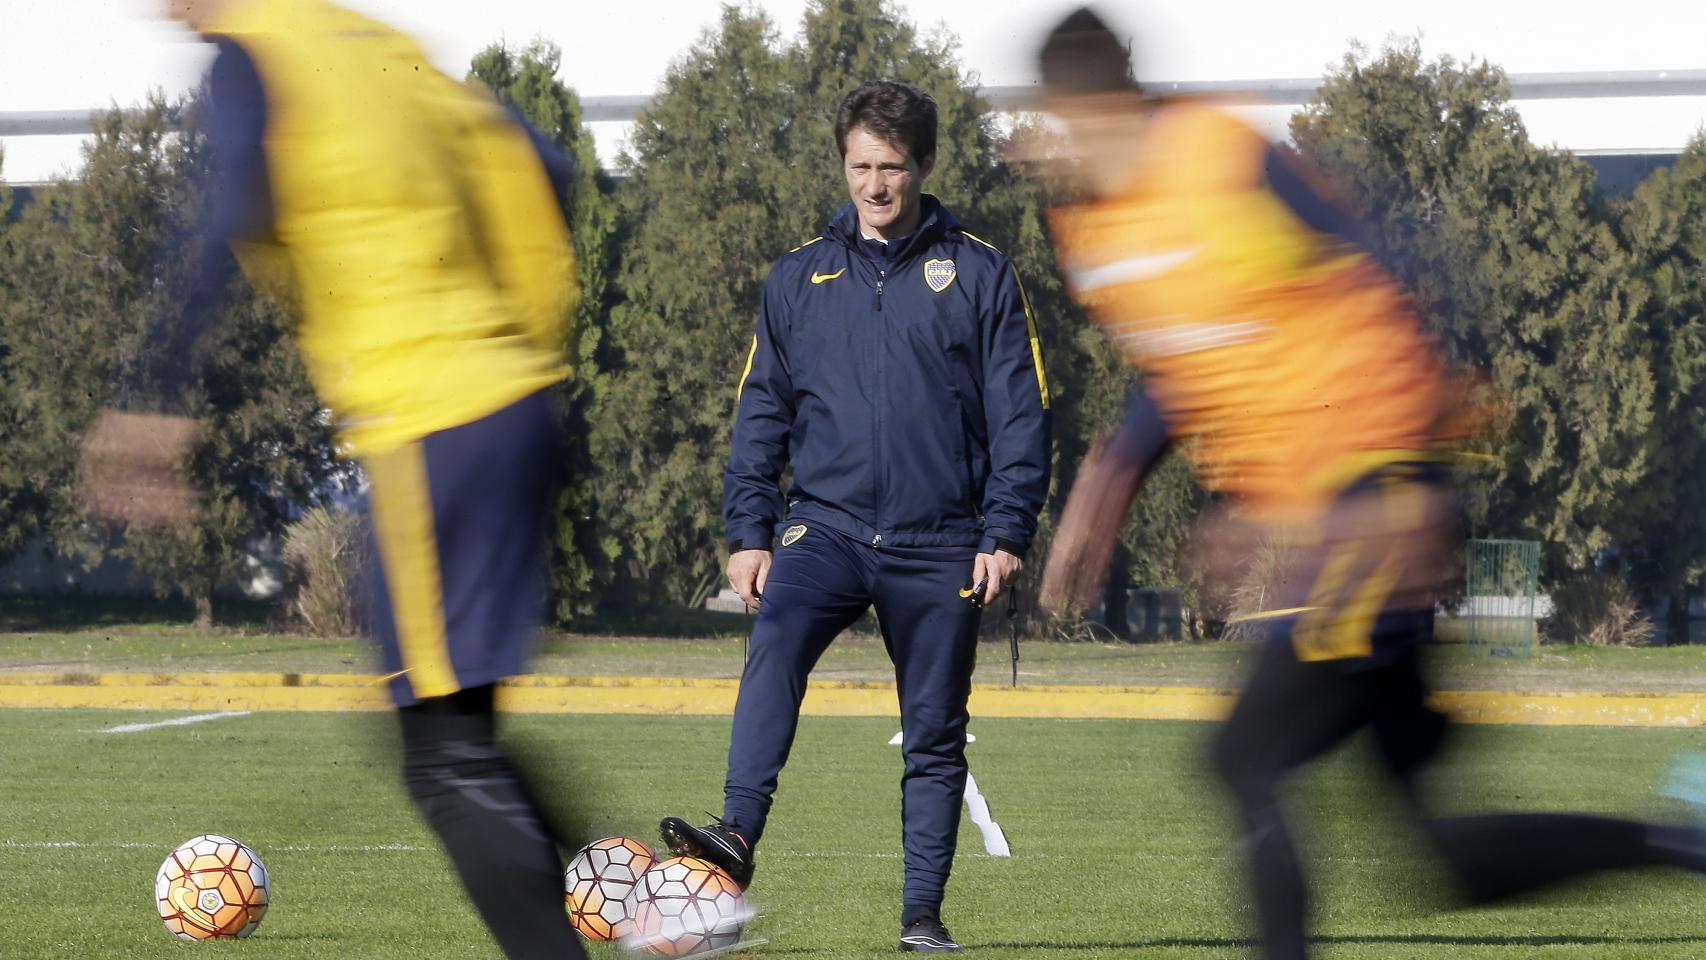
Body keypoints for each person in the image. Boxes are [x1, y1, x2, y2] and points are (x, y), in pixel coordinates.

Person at [1033, 9, 1706, 960]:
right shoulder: (1092, 230)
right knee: (1445, 857)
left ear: (1116, 99)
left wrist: (1422, 483)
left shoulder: (1218, 158)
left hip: (1378, 495)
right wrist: (1113, 482)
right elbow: (1180, 369)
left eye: (1098, 120)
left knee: (1244, 758)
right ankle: (1684, 840)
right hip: (1336, 520)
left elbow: (1382, 267)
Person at [95, 2, 587, 957]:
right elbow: (547, 164)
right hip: (517, 401)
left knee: (441, 760)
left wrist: (155, 391)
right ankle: (655, 899)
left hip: (430, 418)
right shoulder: (368, 42)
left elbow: (229, 200)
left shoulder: (252, 53)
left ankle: (634, 915)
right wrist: (517, 327)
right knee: (458, 737)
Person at [659, 80, 1052, 953]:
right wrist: (747, 531)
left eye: (892, 168)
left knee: (935, 732)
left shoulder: (981, 273)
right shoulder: (799, 277)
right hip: (824, 528)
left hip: (943, 539)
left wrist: (1006, 531)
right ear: (843, 163)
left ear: (925, 167)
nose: (875, 186)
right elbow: (761, 409)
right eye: (860, 166)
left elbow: (1023, 415)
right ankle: (737, 834)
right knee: (777, 643)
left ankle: (922, 916)